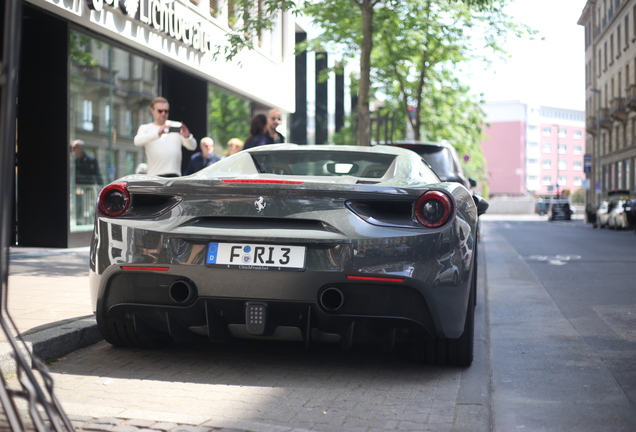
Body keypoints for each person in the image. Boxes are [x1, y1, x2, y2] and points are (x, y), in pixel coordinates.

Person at [133, 96, 197, 177]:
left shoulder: (176, 125)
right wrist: (157, 133)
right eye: (160, 111)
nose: (163, 113)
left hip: (175, 175)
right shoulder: (145, 128)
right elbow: (137, 141)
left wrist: (187, 136)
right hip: (155, 176)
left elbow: (193, 146)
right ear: (152, 110)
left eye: (166, 111)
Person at [71, 139, 103, 225]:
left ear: (81, 148)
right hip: (77, 187)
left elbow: (97, 172)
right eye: (72, 147)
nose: (73, 149)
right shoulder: (73, 160)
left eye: (75, 147)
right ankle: (79, 222)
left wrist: (100, 184)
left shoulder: (90, 159)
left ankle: (91, 223)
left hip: (88, 186)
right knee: (78, 205)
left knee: (90, 206)